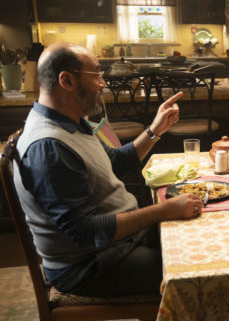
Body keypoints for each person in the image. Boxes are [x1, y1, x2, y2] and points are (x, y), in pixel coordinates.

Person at [13, 42, 204, 297]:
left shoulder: (72, 122)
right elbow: (85, 231)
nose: (103, 84)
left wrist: (154, 130)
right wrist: (162, 210)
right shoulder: (48, 146)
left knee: (196, 236)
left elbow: (113, 162)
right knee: (195, 270)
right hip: (89, 265)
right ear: (67, 81)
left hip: (116, 244)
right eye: (96, 75)